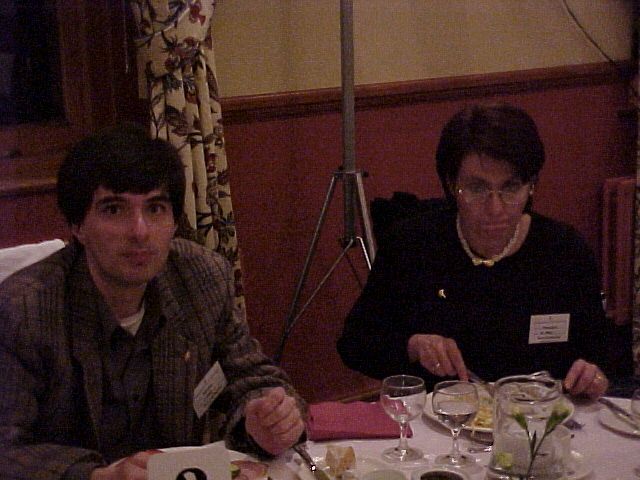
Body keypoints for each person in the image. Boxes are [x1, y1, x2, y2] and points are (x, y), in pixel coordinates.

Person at [0, 124, 306, 479]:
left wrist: (266, 418)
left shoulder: (200, 279)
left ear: (174, 222)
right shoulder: (25, 310)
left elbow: (252, 377)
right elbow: (6, 448)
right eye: (114, 210)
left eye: (156, 208)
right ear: (78, 227)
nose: (140, 231)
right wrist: (97, 476)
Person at [338, 103, 610, 399]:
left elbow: (603, 351)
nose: (495, 208)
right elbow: (354, 344)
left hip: (538, 418)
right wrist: (413, 346)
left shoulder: (564, 252)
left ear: (531, 185)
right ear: (451, 184)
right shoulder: (413, 245)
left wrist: (594, 375)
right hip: (442, 419)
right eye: (477, 189)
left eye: (511, 188)